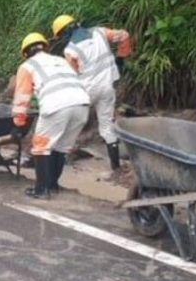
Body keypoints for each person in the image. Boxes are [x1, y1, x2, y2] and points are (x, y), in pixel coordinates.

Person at [51, 14, 133, 176]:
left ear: (64, 33)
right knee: (107, 126)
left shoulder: (70, 50)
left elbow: (72, 75)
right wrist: (121, 59)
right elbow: (125, 35)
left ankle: (61, 157)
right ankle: (115, 167)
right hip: (108, 86)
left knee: (72, 122)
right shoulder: (100, 32)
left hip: (85, 92)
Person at [12, 33, 91, 199]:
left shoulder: (27, 66)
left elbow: (22, 98)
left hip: (57, 106)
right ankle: (52, 185)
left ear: (25, 53)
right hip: (82, 104)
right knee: (60, 147)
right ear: (44, 47)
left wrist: (19, 124)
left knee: (41, 146)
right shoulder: (61, 60)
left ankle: (41, 189)